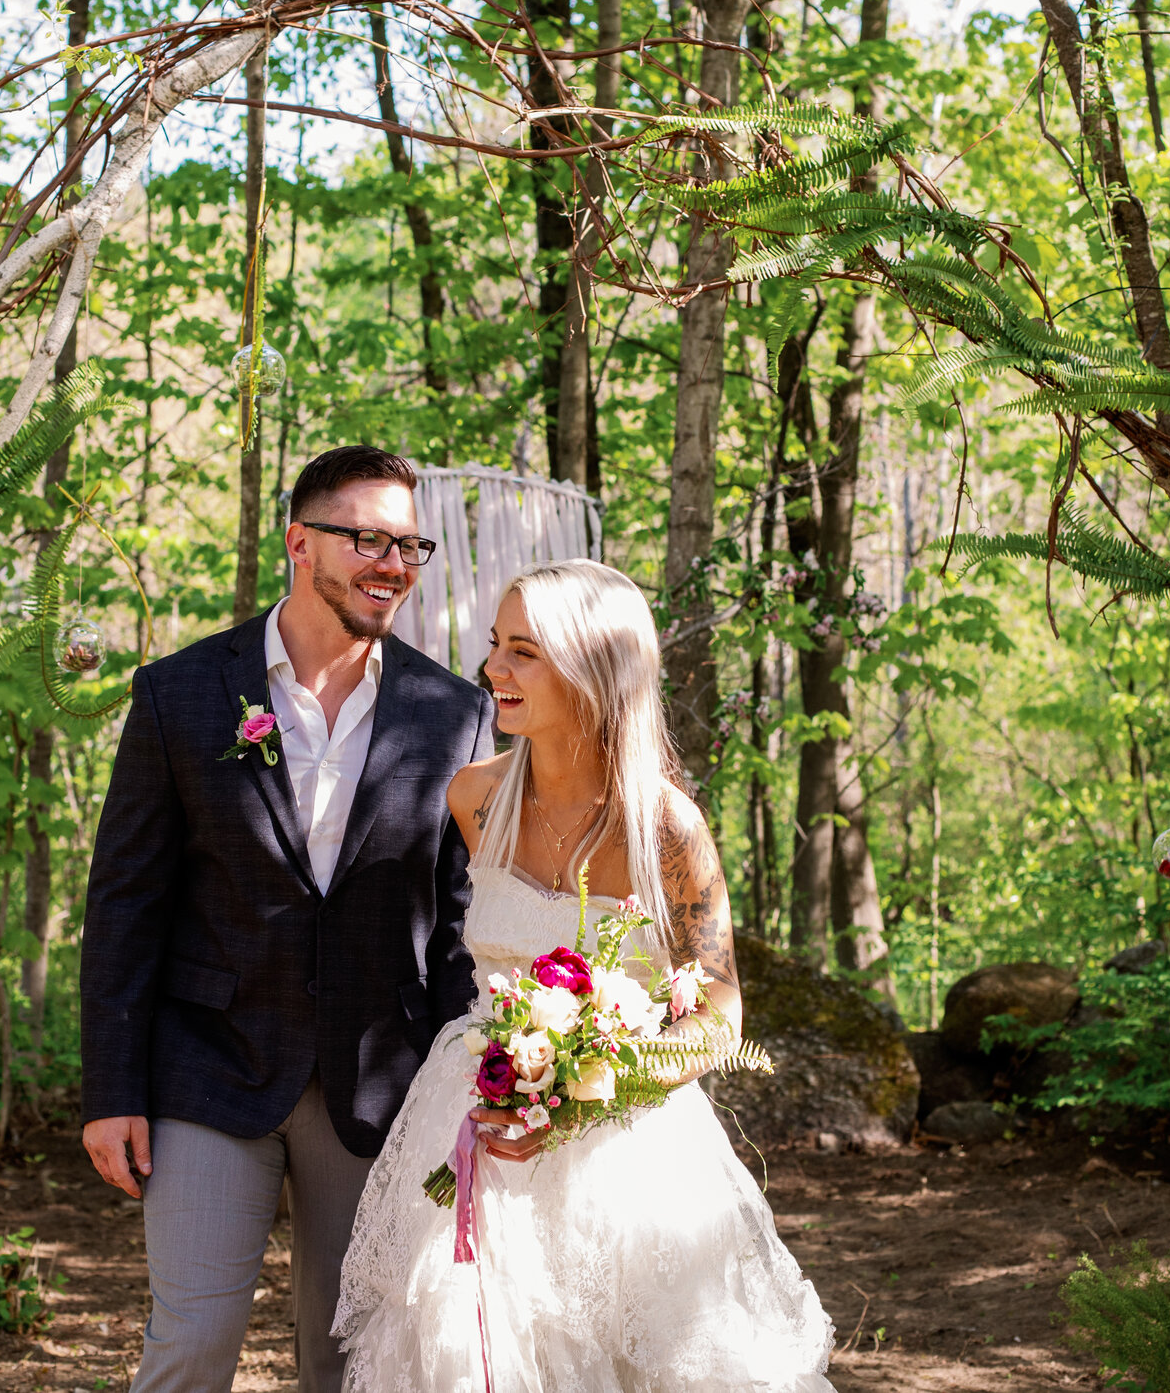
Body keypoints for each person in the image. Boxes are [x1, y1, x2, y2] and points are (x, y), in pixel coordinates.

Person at [335, 559, 835, 1390]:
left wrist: (585, 1091)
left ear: (593, 668)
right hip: (478, 1131)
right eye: (497, 644)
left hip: (629, 1156)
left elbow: (717, 1014)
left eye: (523, 650)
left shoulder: (666, 827)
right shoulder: (474, 800)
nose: (493, 667)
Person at [78, 445, 493, 1393]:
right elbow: (125, 902)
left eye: (409, 544)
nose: (392, 563)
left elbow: (460, 920)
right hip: (207, 1071)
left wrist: (470, 1086)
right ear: (300, 542)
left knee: (349, 1358)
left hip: (379, 1083)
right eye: (367, 539)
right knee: (191, 1340)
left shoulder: (453, 712)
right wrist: (111, 1086)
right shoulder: (179, 694)